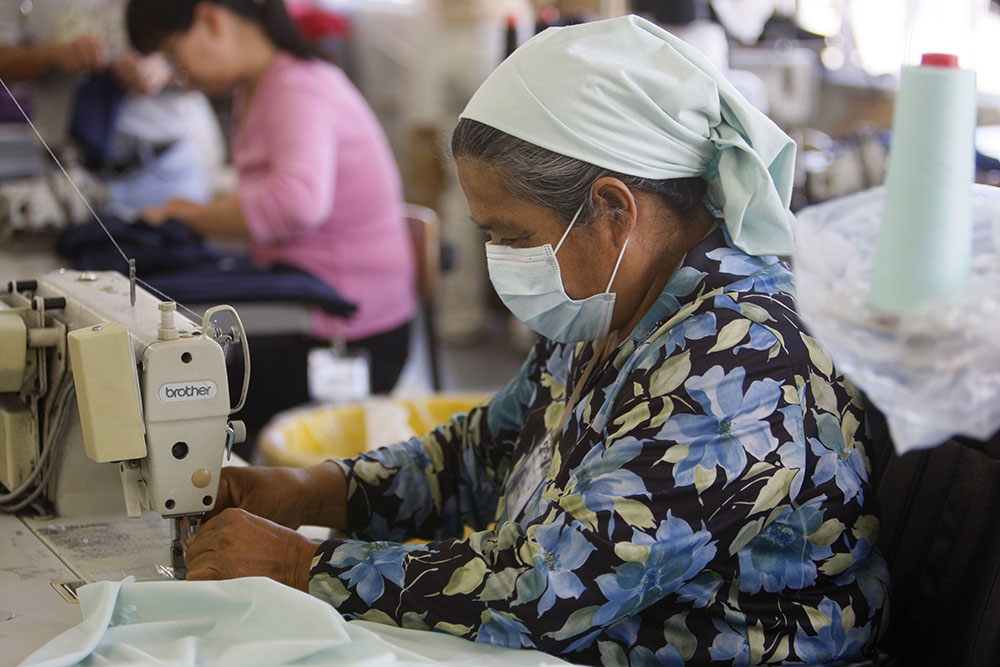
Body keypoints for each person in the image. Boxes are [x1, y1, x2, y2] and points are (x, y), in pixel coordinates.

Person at [177, 15, 889, 666]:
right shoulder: (611, 309)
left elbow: (554, 586)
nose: (497, 259)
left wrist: (302, 566)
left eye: (511, 235)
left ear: (612, 210)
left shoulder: (743, 357)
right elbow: (482, 455)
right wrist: (309, 490)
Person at [125, 0, 417, 425]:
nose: (176, 67)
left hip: (353, 336)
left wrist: (186, 215)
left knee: (166, 386)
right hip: (314, 306)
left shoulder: (298, 88)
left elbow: (295, 203)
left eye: (172, 50)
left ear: (210, 20)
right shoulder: (261, 86)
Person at [0, 0, 222, 218]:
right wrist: (48, 55)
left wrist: (167, 69)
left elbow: (225, 50)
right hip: (67, 179)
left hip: (163, 171)